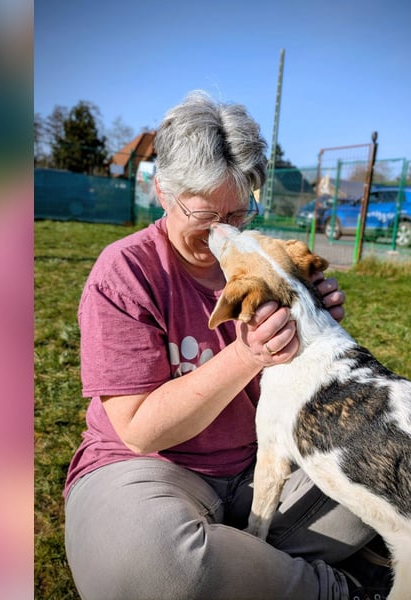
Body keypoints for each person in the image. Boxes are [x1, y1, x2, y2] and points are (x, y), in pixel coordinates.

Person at [63, 90, 390, 600]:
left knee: (392, 471)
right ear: (162, 192)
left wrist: (315, 323)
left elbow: (308, 389)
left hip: (267, 462)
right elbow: (141, 431)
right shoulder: (124, 272)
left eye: (239, 214)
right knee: (146, 565)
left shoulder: (264, 260)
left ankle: (236, 564)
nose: (224, 233)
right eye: (205, 217)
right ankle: (329, 589)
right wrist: (247, 354)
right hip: (153, 471)